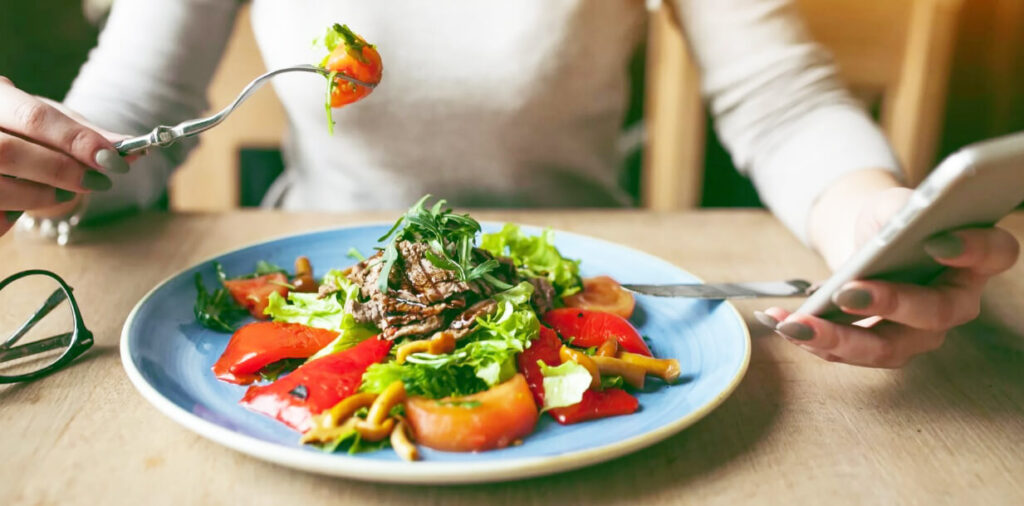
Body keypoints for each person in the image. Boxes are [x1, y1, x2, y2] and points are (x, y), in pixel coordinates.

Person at [0, 0, 1017, 368]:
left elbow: (782, 102)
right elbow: (133, 116)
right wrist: (44, 167)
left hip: (585, 310)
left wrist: (872, 217)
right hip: (314, 317)